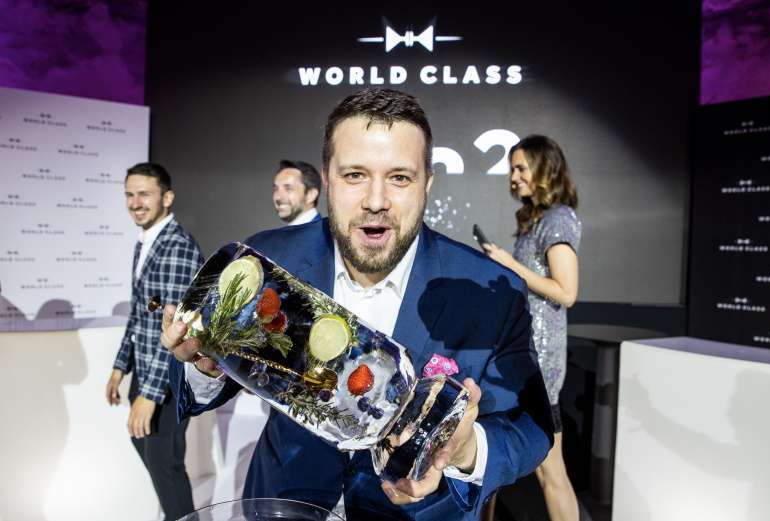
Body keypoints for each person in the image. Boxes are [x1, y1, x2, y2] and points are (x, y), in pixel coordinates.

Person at [161, 88, 555, 521]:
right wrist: (205, 365)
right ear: (327, 179)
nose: (375, 201)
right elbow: (207, 385)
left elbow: (530, 428)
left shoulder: (490, 290)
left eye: (399, 178)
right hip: (285, 502)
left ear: (427, 183)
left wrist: (465, 450)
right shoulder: (269, 260)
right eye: (354, 175)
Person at [481, 135, 581, 521]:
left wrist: (510, 265)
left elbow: (566, 292)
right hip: (519, 360)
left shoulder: (557, 220)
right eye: (512, 169)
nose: (513, 177)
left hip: (540, 368)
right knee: (496, 463)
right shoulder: (536, 220)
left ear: (544, 169)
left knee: (550, 470)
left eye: (521, 168)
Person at [105, 162, 203, 521]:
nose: (135, 203)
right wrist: (120, 367)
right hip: (145, 368)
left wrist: (149, 393)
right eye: (129, 195)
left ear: (167, 197)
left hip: (168, 379)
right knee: (146, 446)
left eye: (144, 194)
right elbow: (140, 313)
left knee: (165, 465)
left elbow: (176, 330)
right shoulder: (146, 241)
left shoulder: (176, 247)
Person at [272, 159, 323, 224]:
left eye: (288, 189)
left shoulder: (322, 230)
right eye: (275, 189)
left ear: (311, 195)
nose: (278, 197)